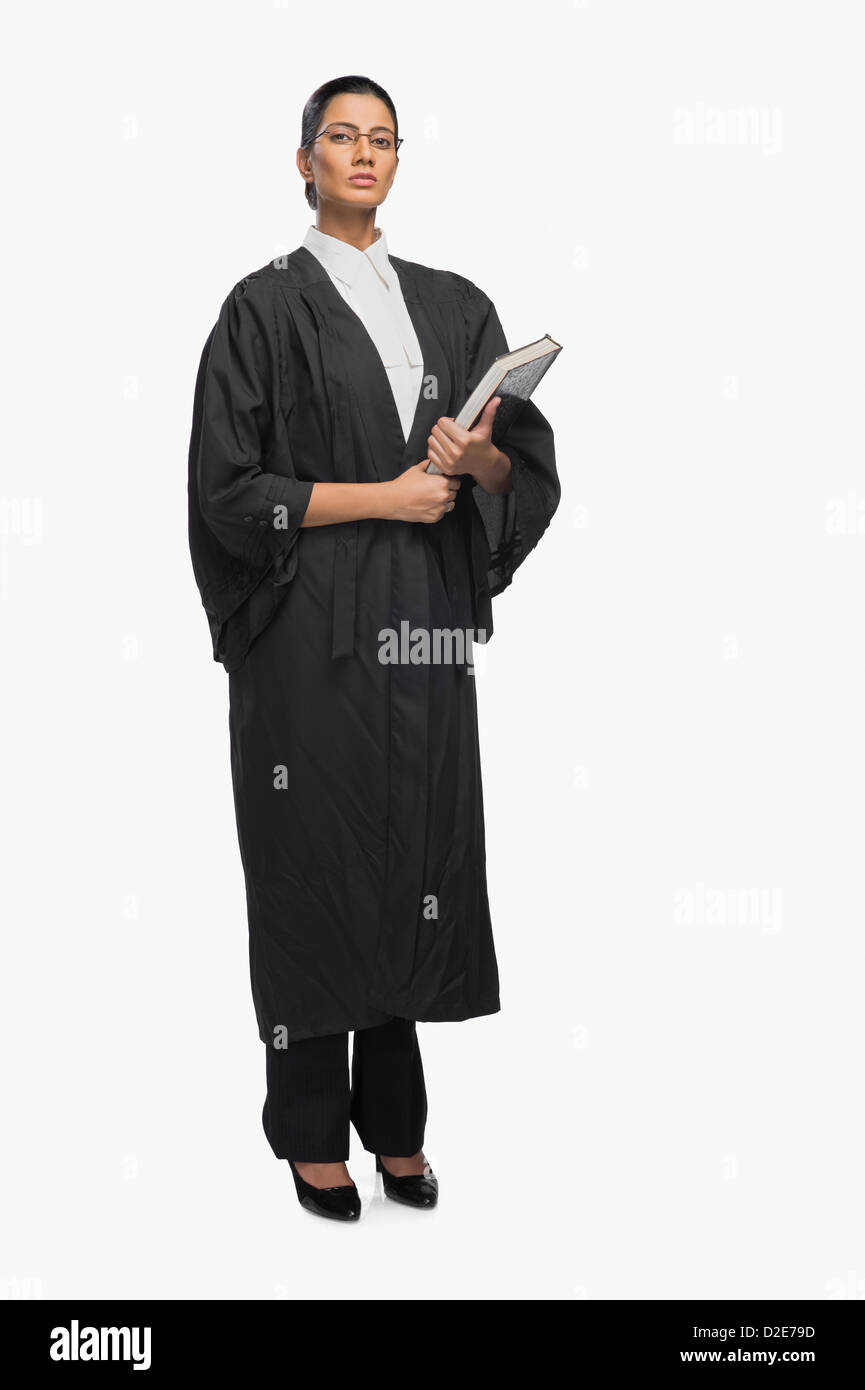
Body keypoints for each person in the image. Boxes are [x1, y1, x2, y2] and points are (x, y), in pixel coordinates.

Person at [187, 75, 560, 1221]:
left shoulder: (454, 305)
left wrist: (475, 462)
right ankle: (309, 1129)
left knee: (416, 860)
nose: (363, 153)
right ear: (303, 160)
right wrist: (383, 499)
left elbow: (517, 470)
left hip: (422, 627)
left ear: (399, 162)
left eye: (382, 138)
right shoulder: (262, 308)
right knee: (316, 859)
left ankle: (395, 1122)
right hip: (307, 632)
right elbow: (229, 490)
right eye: (340, 136)